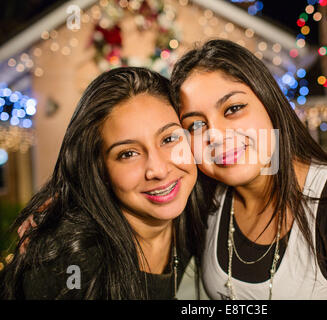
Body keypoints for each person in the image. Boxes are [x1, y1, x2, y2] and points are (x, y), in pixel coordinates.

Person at [169, 39, 327, 300]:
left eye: (233, 109)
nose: (215, 136)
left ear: (270, 104)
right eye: (195, 125)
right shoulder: (204, 200)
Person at [0, 67, 205, 300]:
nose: (158, 170)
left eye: (169, 139)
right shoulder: (68, 262)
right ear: (100, 169)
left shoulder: (205, 210)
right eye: (128, 154)